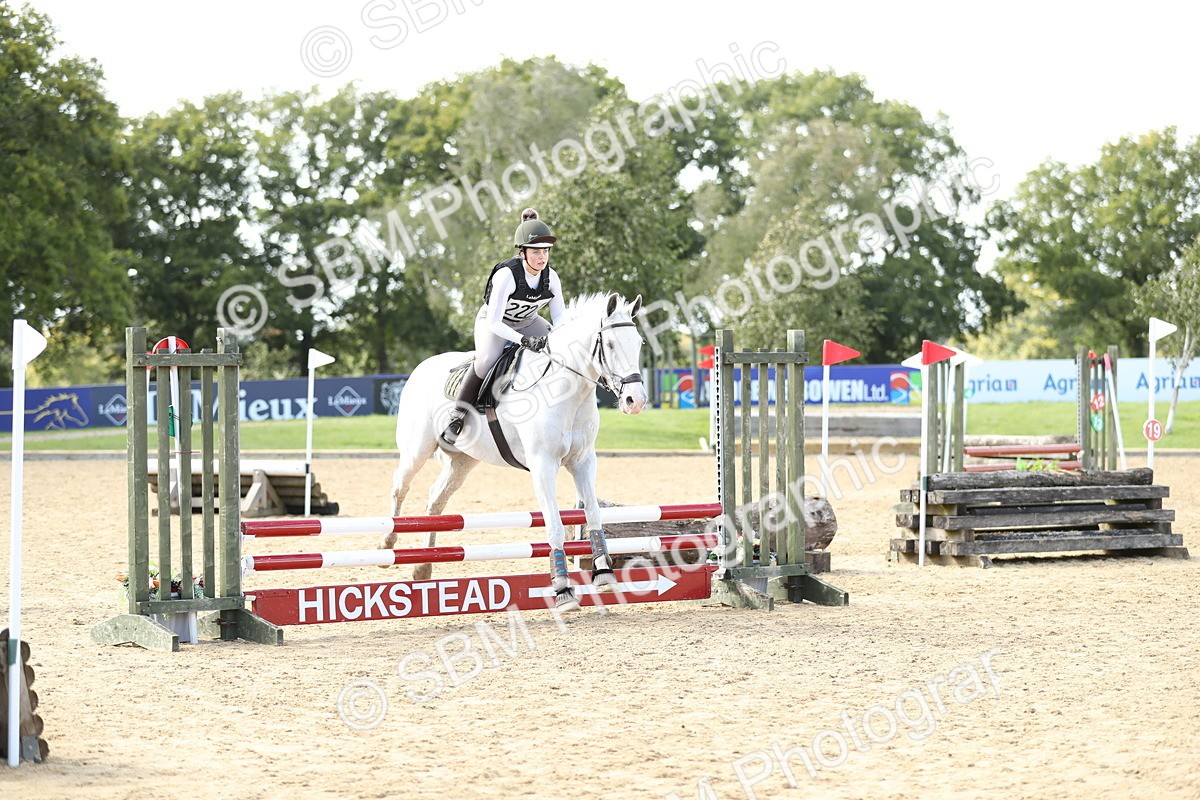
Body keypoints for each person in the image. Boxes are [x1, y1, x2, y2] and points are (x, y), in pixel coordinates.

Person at [441, 207, 567, 445]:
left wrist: (560, 337)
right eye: (536, 251)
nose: (542, 257)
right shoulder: (507, 275)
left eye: (546, 251)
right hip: (494, 323)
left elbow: (560, 318)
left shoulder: (552, 277)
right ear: (523, 252)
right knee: (487, 358)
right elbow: (495, 321)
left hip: (529, 321)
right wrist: (522, 340)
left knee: (559, 347)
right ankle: (458, 414)